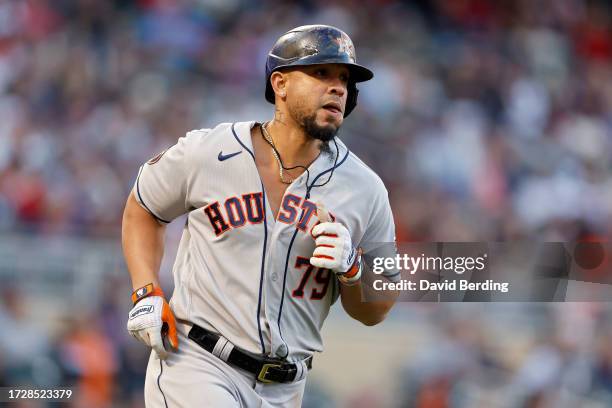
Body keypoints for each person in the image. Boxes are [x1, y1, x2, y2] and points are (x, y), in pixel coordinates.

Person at [122, 24, 399, 407]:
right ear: (280, 84)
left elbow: (377, 308)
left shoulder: (365, 189)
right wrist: (145, 290)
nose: (338, 87)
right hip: (199, 364)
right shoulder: (209, 151)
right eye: (321, 73)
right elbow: (143, 208)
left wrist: (352, 269)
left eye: (345, 79)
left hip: (287, 389)